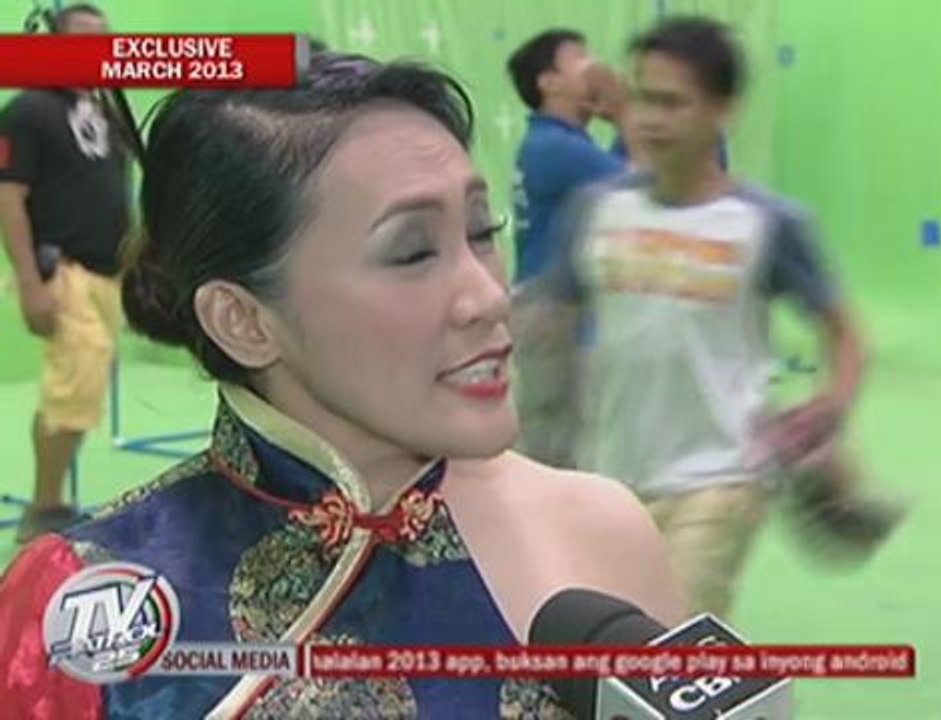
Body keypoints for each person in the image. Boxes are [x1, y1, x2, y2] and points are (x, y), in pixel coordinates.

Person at [0, 53, 685, 717]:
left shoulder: (598, 535)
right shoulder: (80, 605)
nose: (487, 296)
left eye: (482, 231)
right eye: (412, 252)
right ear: (243, 320)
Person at [530, 17, 904, 619]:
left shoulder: (767, 222)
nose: (651, 119)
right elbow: (552, 322)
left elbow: (843, 330)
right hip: (614, 476)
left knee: (674, 632)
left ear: (723, 109)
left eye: (672, 102)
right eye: (643, 98)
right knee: (619, 638)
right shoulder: (596, 210)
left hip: (722, 476)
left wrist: (829, 410)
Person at [0, 3, 130, 543]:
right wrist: (31, 283)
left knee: (82, 389)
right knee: (72, 386)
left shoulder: (106, 112)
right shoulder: (27, 111)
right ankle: (45, 507)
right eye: (82, 39)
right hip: (63, 272)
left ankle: (51, 503)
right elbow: (8, 196)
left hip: (108, 274)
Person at [506, 30, 639, 466]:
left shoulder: (560, 145)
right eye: (580, 59)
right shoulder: (557, 149)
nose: (596, 67)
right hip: (552, 314)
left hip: (549, 307)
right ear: (549, 83)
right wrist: (624, 112)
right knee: (553, 448)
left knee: (566, 437)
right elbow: (646, 189)